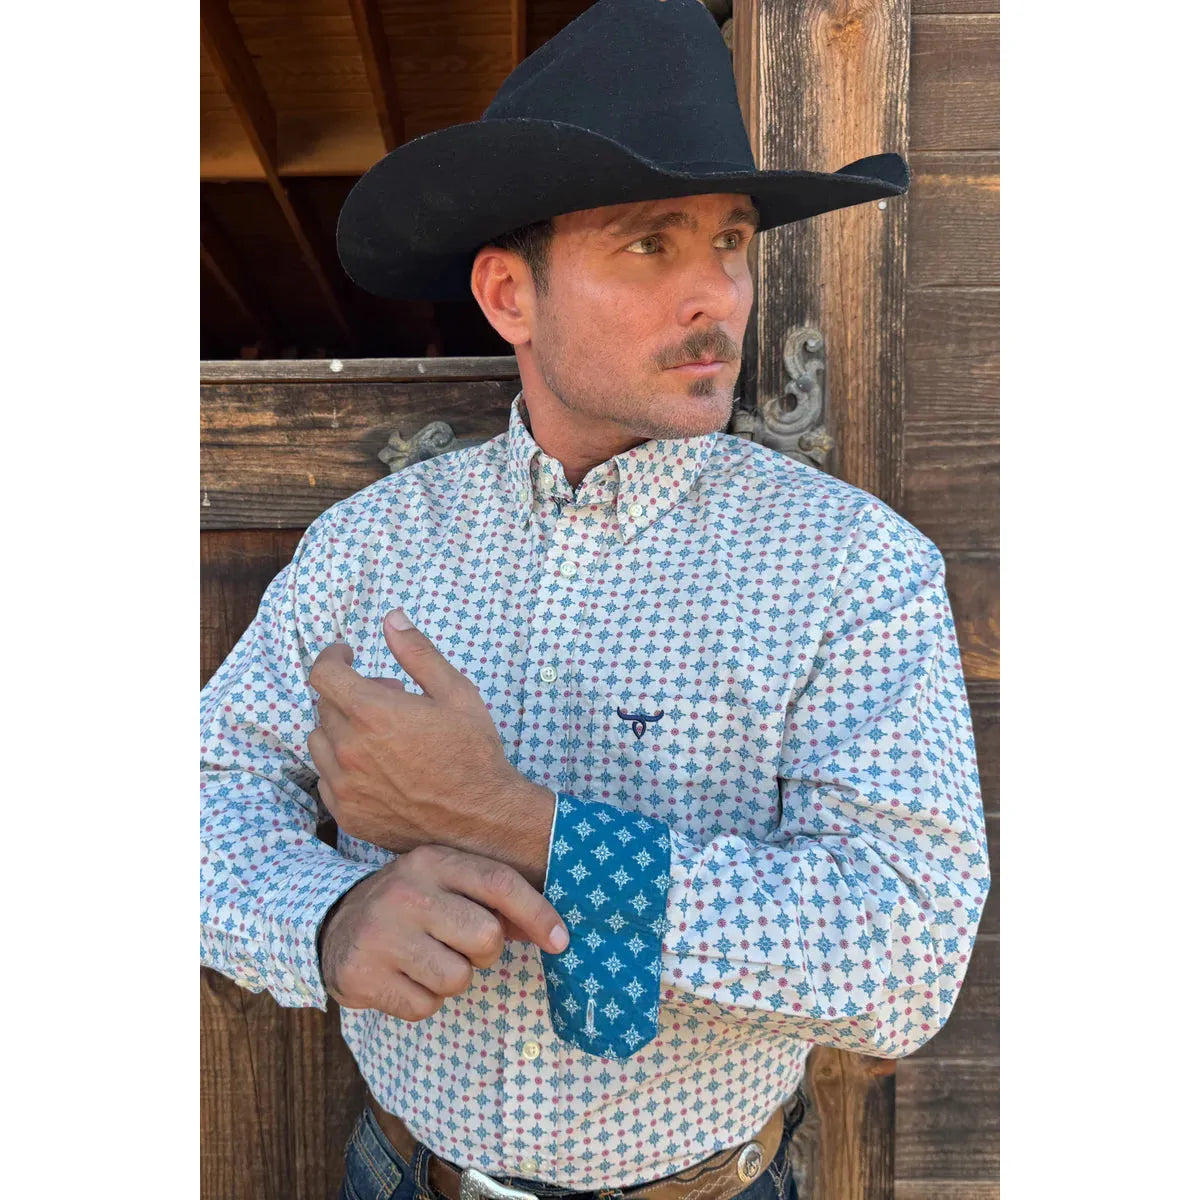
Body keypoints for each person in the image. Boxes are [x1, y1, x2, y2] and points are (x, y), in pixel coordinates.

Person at [200, 2, 991, 1199]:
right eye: (649, 246)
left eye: (730, 243)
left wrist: (523, 825)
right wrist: (325, 916)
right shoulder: (369, 547)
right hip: (405, 1172)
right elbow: (201, 790)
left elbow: (906, 954)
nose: (715, 296)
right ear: (509, 296)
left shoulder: (853, 568)